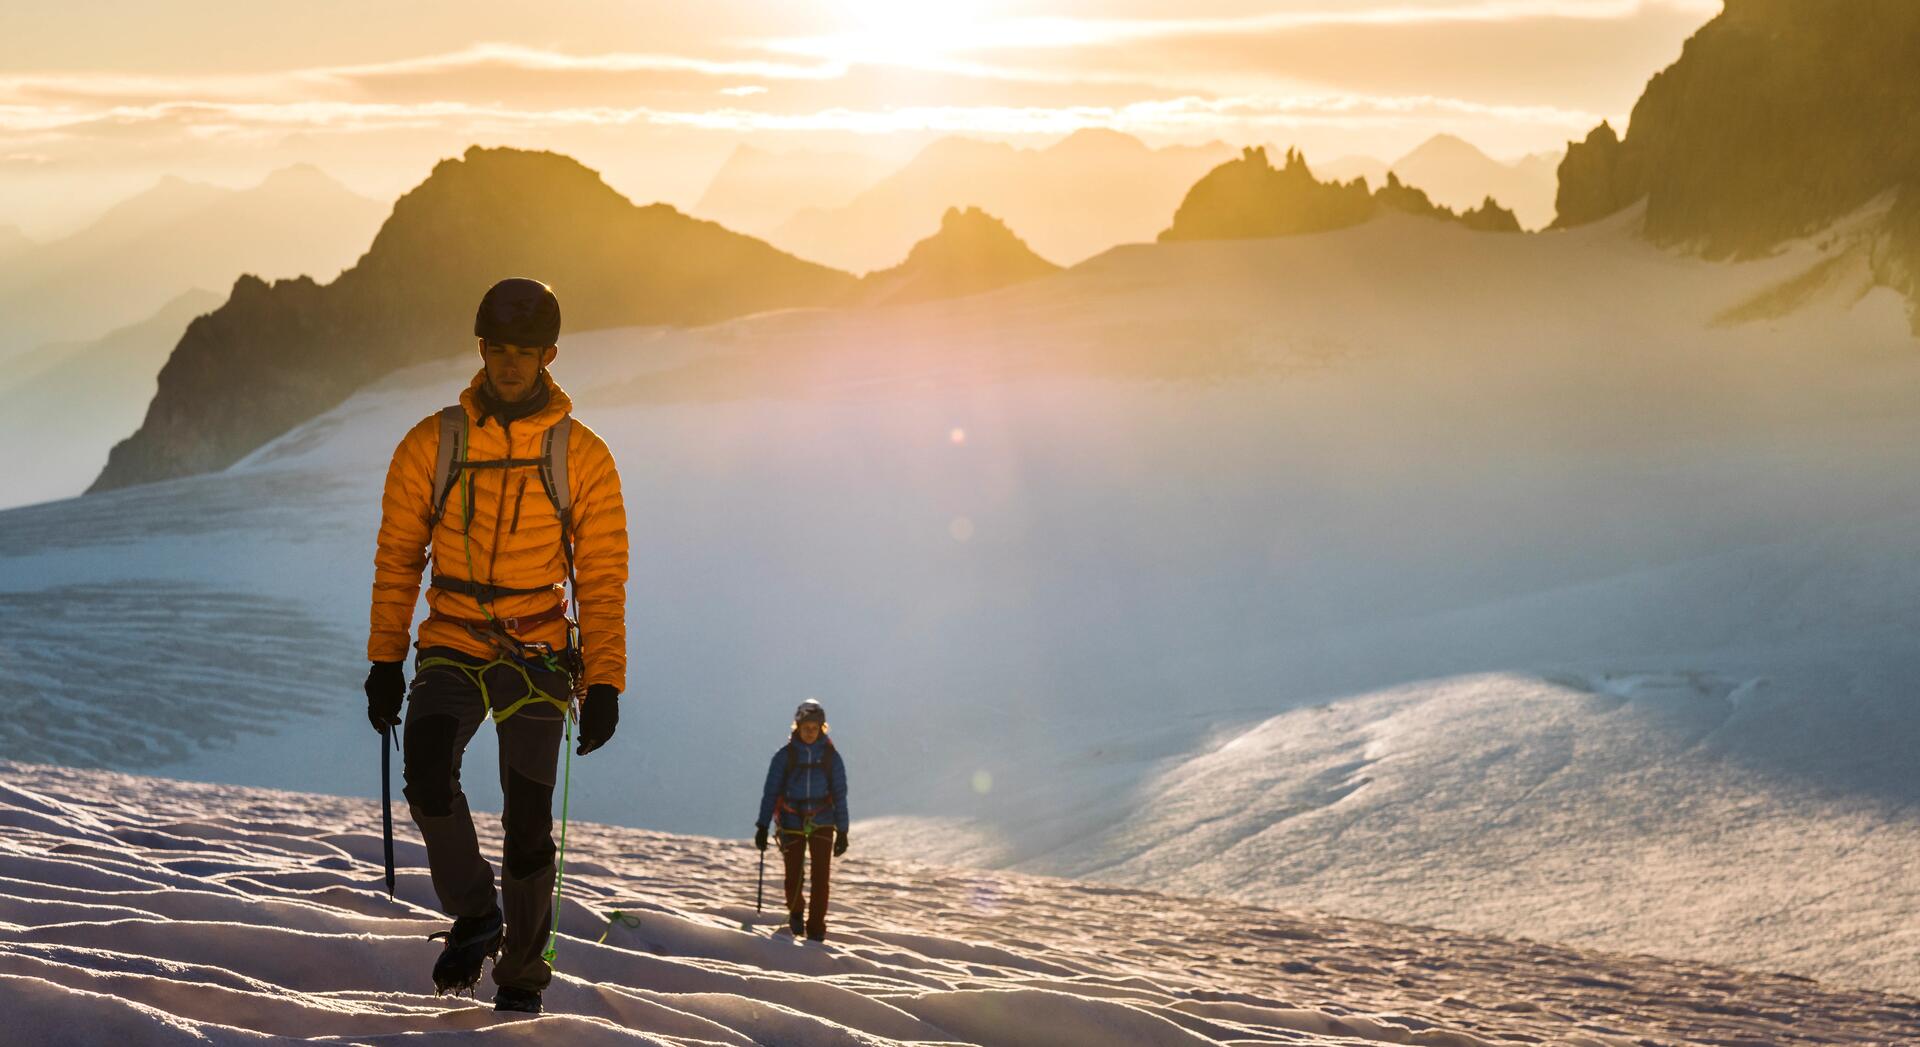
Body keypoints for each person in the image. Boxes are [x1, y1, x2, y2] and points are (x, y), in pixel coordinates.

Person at [362, 277, 629, 1015]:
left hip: (539, 647)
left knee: (529, 818)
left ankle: (520, 983)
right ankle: (478, 910)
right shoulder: (433, 442)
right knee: (426, 773)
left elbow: (602, 574)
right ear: (482, 348)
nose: (511, 364)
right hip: (452, 637)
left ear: (548, 355)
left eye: (525, 352)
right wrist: (385, 658)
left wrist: (604, 677)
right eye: (499, 349)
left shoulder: (583, 455)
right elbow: (398, 555)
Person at [755, 699, 850, 942]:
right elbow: (771, 791)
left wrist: (843, 831)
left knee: (821, 877)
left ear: (821, 728)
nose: (810, 732)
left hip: (823, 820)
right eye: (806, 727)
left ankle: (816, 929)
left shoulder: (830, 757)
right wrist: (763, 825)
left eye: (814, 728)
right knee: (793, 874)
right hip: (791, 819)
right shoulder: (784, 757)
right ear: (797, 727)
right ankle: (796, 911)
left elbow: (840, 794)